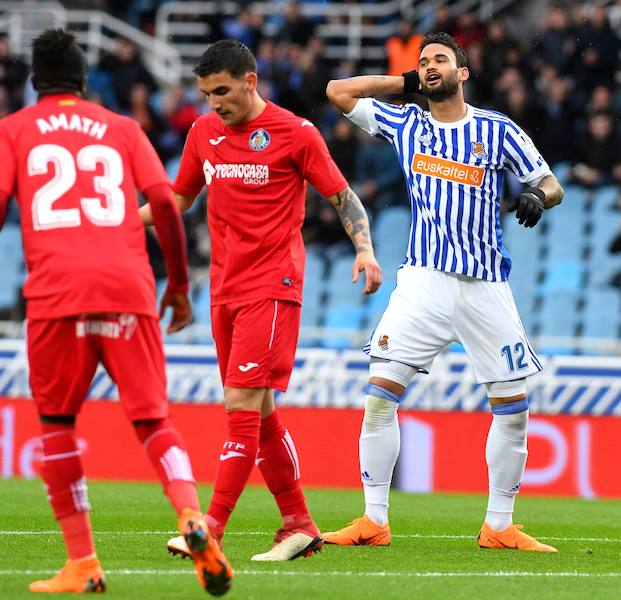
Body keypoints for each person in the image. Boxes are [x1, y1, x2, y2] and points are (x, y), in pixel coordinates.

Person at [0, 29, 232, 594]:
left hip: (58, 295)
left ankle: (82, 562)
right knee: (154, 421)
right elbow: (167, 208)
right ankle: (191, 516)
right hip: (129, 290)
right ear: (85, 82)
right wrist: (177, 285)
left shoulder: (14, 130)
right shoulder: (123, 128)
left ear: (35, 84)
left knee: (56, 423)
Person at [140, 39, 382, 561]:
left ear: (250, 82)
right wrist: (117, 220)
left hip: (273, 287)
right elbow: (177, 199)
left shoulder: (297, 133)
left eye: (222, 91)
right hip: (223, 290)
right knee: (262, 409)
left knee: (241, 406)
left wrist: (364, 250)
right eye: (206, 94)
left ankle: (210, 529)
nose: (214, 104)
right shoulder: (203, 132)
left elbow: (343, 197)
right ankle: (298, 524)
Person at [323, 31, 564, 552]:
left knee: (514, 409)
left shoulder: (496, 130)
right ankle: (374, 520)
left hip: (485, 287)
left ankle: (499, 526)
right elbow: (338, 91)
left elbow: (551, 182)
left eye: (440, 60)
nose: (430, 67)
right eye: (423, 62)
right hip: (423, 283)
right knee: (379, 398)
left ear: (464, 72)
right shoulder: (406, 122)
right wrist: (405, 80)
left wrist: (536, 198)